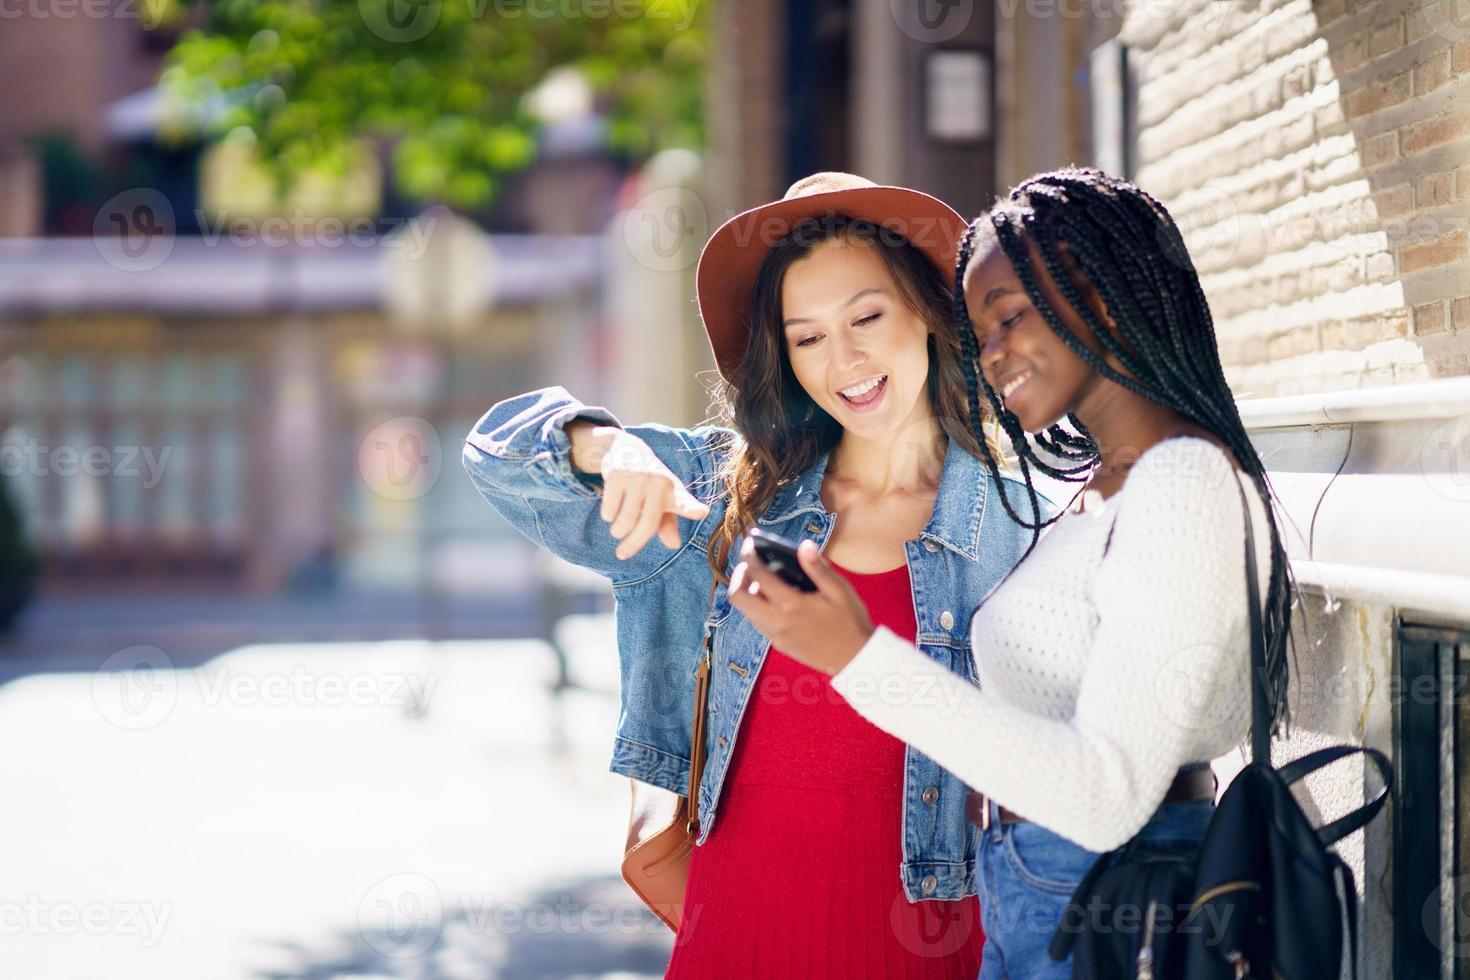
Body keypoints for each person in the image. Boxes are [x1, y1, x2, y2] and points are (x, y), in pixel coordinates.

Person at [463, 173, 1046, 977]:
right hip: (739, 936)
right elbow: (497, 453)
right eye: (806, 338)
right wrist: (606, 445)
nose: (843, 360)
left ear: (927, 312)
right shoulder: (721, 497)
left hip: (934, 945)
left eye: (866, 318)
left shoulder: (1025, 524)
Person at [727, 167, 1288, 978]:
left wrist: (855, 654)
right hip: (1042, 895)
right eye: (980, 334)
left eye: (1010, 319)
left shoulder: (1183, 484)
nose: (992, 357)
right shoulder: (1099, 493)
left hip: (1112, 907)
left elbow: (1106, 793)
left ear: (1097, 298)